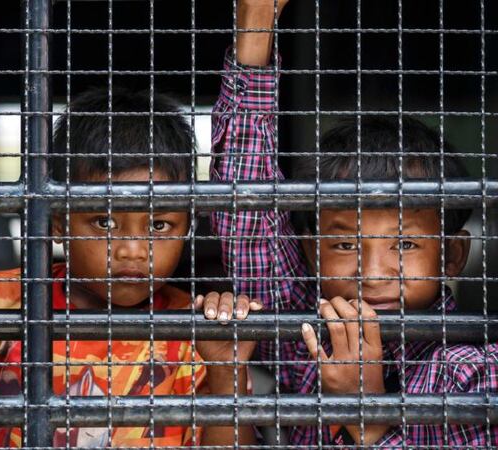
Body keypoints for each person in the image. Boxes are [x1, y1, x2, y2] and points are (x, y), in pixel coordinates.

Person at [0, 87, 259, 448]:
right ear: (58, 220)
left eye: (158, 226)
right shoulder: (4, 303)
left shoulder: (197, 329)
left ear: (188, 225)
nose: (131, 250)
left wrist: (227, 370)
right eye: (104, 223)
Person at [213, 0, 498, 446]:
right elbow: (246, 209)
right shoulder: (307, 341)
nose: (372, 273)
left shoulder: (471, 372)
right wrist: (256, 18)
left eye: (404, 245)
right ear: (310, 251)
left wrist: (365, 412)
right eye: (345, 246)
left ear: (452, 254)